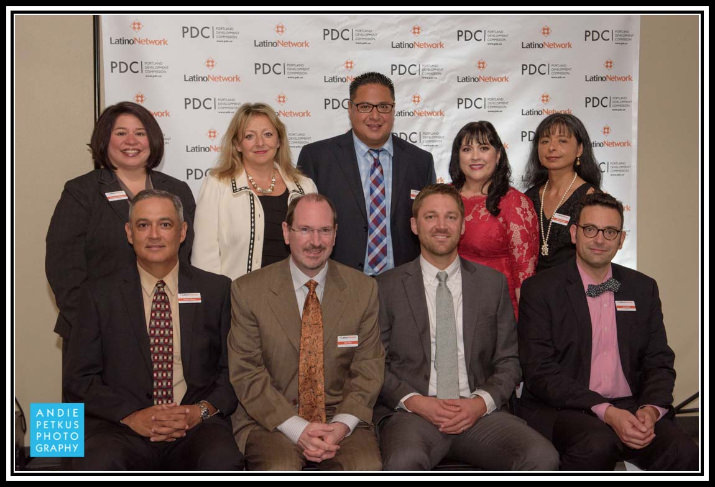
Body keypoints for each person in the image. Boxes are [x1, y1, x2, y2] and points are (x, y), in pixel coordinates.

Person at [374, 184, 559, 471]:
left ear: (462, 226)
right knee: (403, 462)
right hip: (414, 414)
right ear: (414, 225)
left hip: (479, 414)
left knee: (541, 457)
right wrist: (417, 402)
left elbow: (510, 361)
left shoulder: (492, 284)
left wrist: (479, 403)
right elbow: (375, 364)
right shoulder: (385, 286)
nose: (441, 226)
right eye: (430, 216)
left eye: (451, 217)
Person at [517, 192, 699, 471]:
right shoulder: (541, 289)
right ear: (575, 233)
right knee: (596, 445)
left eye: (610, 231)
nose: (600, 239)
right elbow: (539, 371)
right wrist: (607, 412)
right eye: (591, 229)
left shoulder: (642, 288)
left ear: (621, 239)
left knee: (684, 450)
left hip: (633, 405)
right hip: (568, 408)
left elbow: (659, 360)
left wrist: (651, 410)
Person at [64, 190, 242, 470]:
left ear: (182, 232)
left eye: (165, 224)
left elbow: (233, 370)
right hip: (120, 427)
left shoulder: (216, 290)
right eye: (143, 225)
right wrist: (131, 416)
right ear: (129, 233)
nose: (154, 235)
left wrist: (200, 411)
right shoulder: (98, 294)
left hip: (194, 425)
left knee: (223, 460)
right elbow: (79, 378)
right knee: (94, 463)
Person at [228, 193, 384, 471]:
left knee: (366, 467)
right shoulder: (248, 291)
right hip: (271, 420)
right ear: (287, 233)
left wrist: (340, 426)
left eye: (324, 231)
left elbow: (368, 368)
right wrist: (298, 428)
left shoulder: (363, 289)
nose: (315, 242)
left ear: (335, 235)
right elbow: (247, 372)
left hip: (341, 416)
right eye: (305, 230)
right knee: (281, 468)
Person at [46, 101, 195, 391]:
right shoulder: (81, 191)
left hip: (164, 329)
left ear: (152, 140)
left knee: (152, 422)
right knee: (85, 427)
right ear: (105, 139)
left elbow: (186, 261)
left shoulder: (177, 190)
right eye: (121, 133)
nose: (131, 141)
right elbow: (63, 268)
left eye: (140, 133)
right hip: (93, 333)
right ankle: (62, 439)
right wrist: (99, 326)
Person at [297, 72, 435, 275]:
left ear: (393, 110)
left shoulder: (420, 161)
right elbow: (302, 226)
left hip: (402, 283)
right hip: (337, 281)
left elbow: (427, 224)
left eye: (383, 107)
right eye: (365, 107)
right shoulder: (317, 158)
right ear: (350, 109)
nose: (375, 116)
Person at [192, 102, 317, 280]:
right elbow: (204, 257)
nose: (260, 143)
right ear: (237, 144)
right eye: (249, 136)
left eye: (268, 134)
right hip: (236, 300)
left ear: (279, 140)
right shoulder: (217, 185)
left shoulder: (305, 187)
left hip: (294, 297)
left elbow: (316, 246)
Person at [450, 121, 538, 317]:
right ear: (458, 156)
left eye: (483, 148)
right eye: (466, 149)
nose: (475, 156)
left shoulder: (515, 203)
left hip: (496, 311)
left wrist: (527, 330)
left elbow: (524, 278)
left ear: (498, 155)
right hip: (447, 305)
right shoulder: (443, 197)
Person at [523, 113, 601, 272]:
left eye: (562, 141)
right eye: (545, 141)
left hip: (573, 289)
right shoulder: (528, 198)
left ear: (579, 149)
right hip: (532, 289)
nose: (551, 147)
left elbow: (597, 253)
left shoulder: (591, 198)